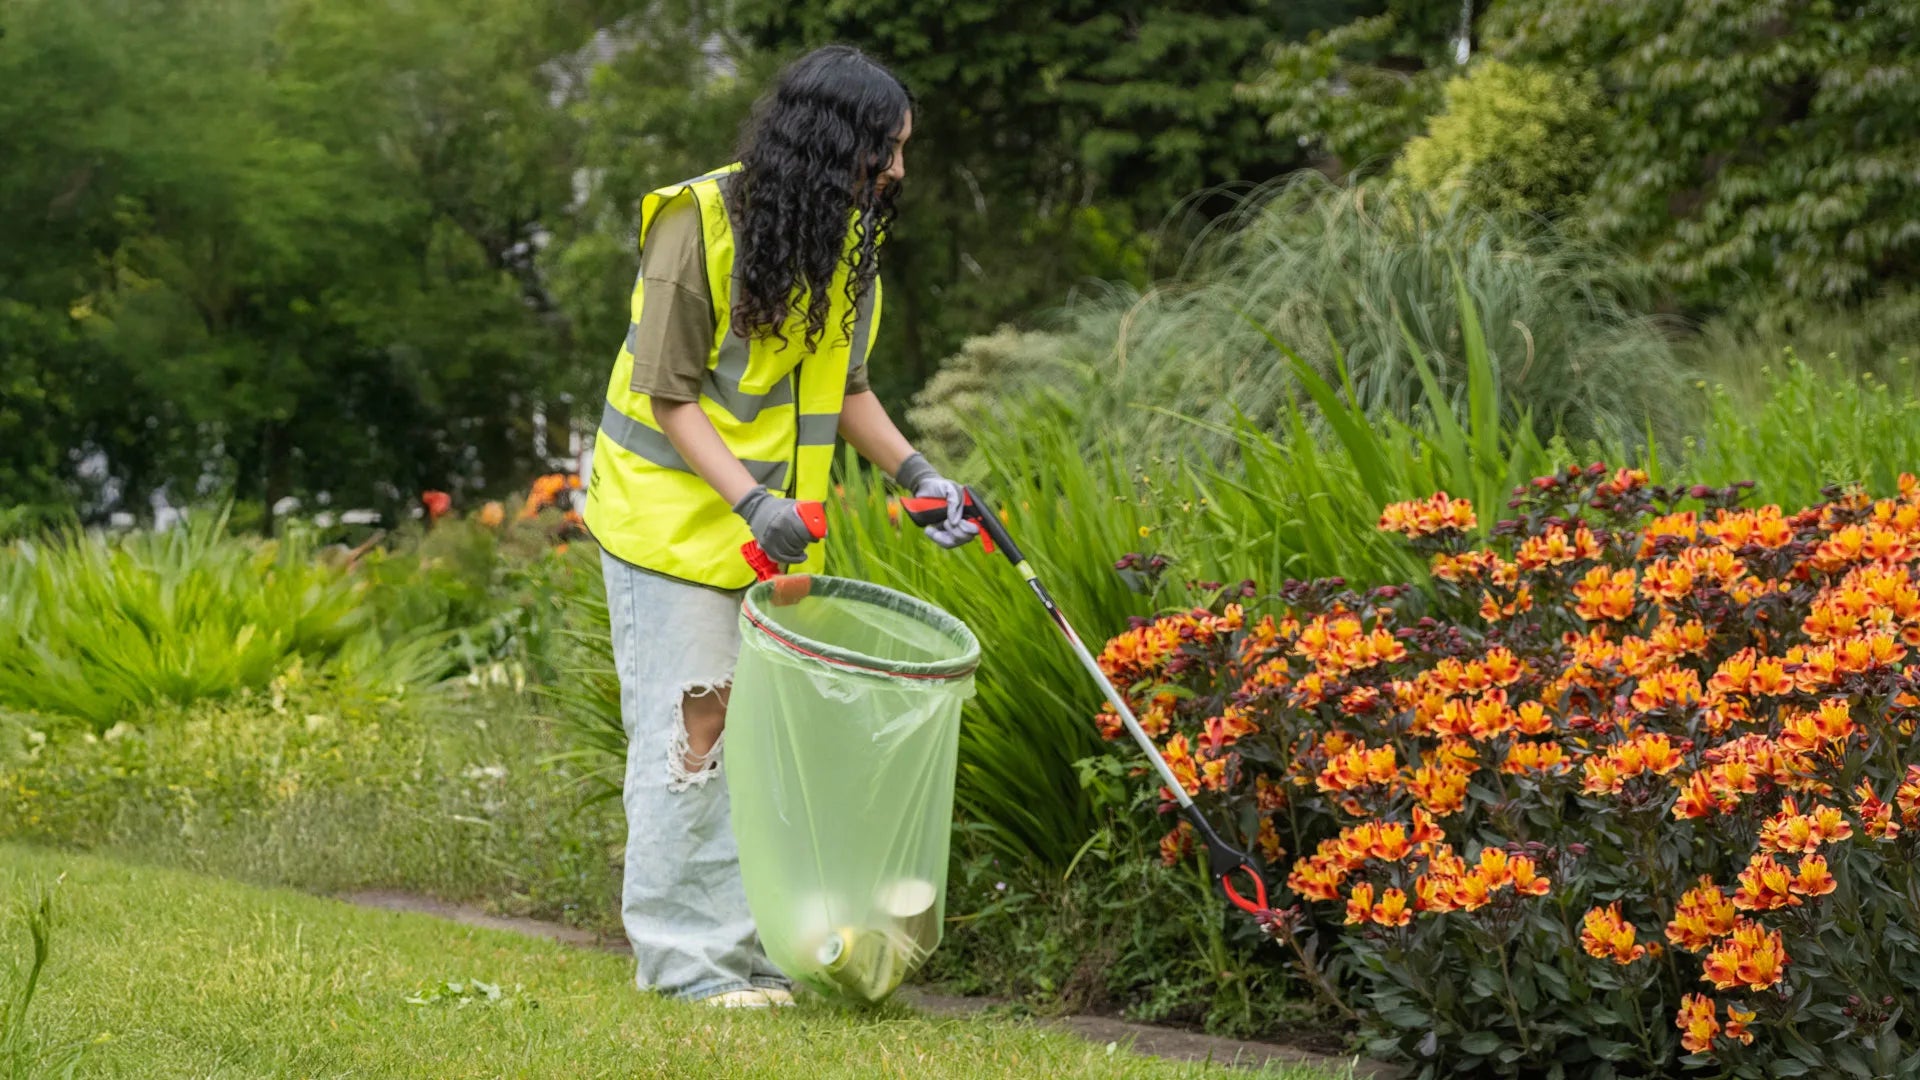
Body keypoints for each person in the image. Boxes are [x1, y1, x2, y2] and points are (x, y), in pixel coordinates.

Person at [580, 45, 977, 1009]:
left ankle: (749, 953)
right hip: (667, 521)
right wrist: (753, 499)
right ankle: (686, 965)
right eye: (885, 150)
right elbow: (667, 394)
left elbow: (849, 389)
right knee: (694, 734)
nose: (895, 172)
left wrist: (920, 474)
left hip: (766, 537)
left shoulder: (840, 237)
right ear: (830, 139)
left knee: (751, 746)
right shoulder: (697, 221)